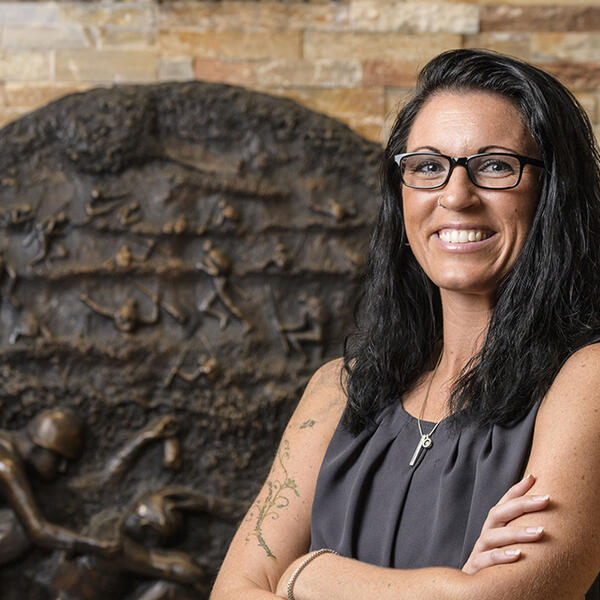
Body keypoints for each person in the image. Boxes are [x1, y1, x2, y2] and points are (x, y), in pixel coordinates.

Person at [210, 49, 600, 600]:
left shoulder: (589, 381)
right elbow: (231, 592)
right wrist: (448, 587)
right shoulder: (335, 391)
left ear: (554, 191)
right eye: (428, 167)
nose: (456, 196)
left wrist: (306, 574)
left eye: (494, 165)